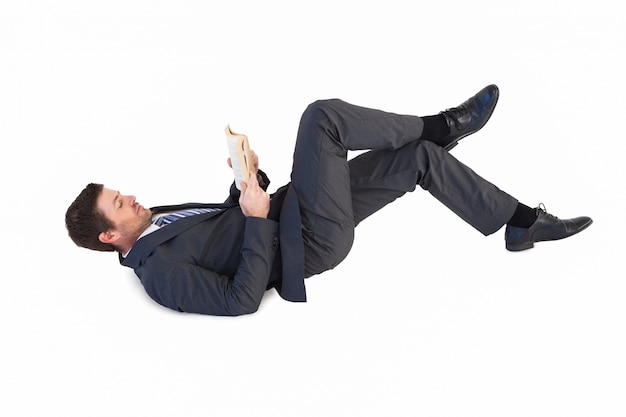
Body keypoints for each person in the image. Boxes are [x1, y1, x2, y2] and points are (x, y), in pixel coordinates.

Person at [65, 85, 592, 316]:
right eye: (119, 202)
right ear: (110, 236)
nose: (131, 196)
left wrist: (245, 179)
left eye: (120, 191)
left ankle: (521, 224)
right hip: (308, 241)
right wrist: (254, 219)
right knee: (322, 117)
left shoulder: (158, 219)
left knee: (416, 160)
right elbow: (238, 301)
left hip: (294, 210)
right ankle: (443, 124)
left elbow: (227, 223)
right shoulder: (158, 275)